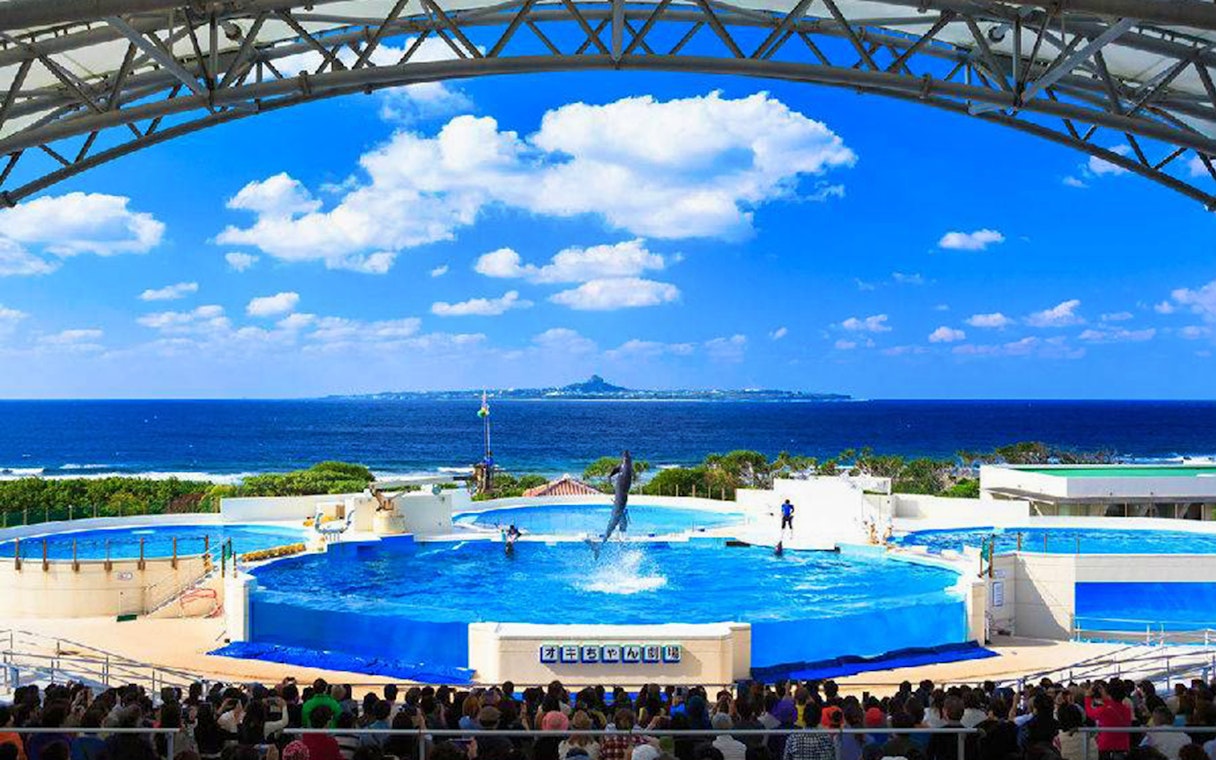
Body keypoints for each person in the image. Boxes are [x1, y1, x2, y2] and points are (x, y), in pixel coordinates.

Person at [1086, 682, 1133, 760]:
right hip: (1123, 746)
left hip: (1106, 746)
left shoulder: (1105, 710)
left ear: (1109, 695)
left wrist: (1087, 698)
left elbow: (1090, 713)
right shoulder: (1126, 709)